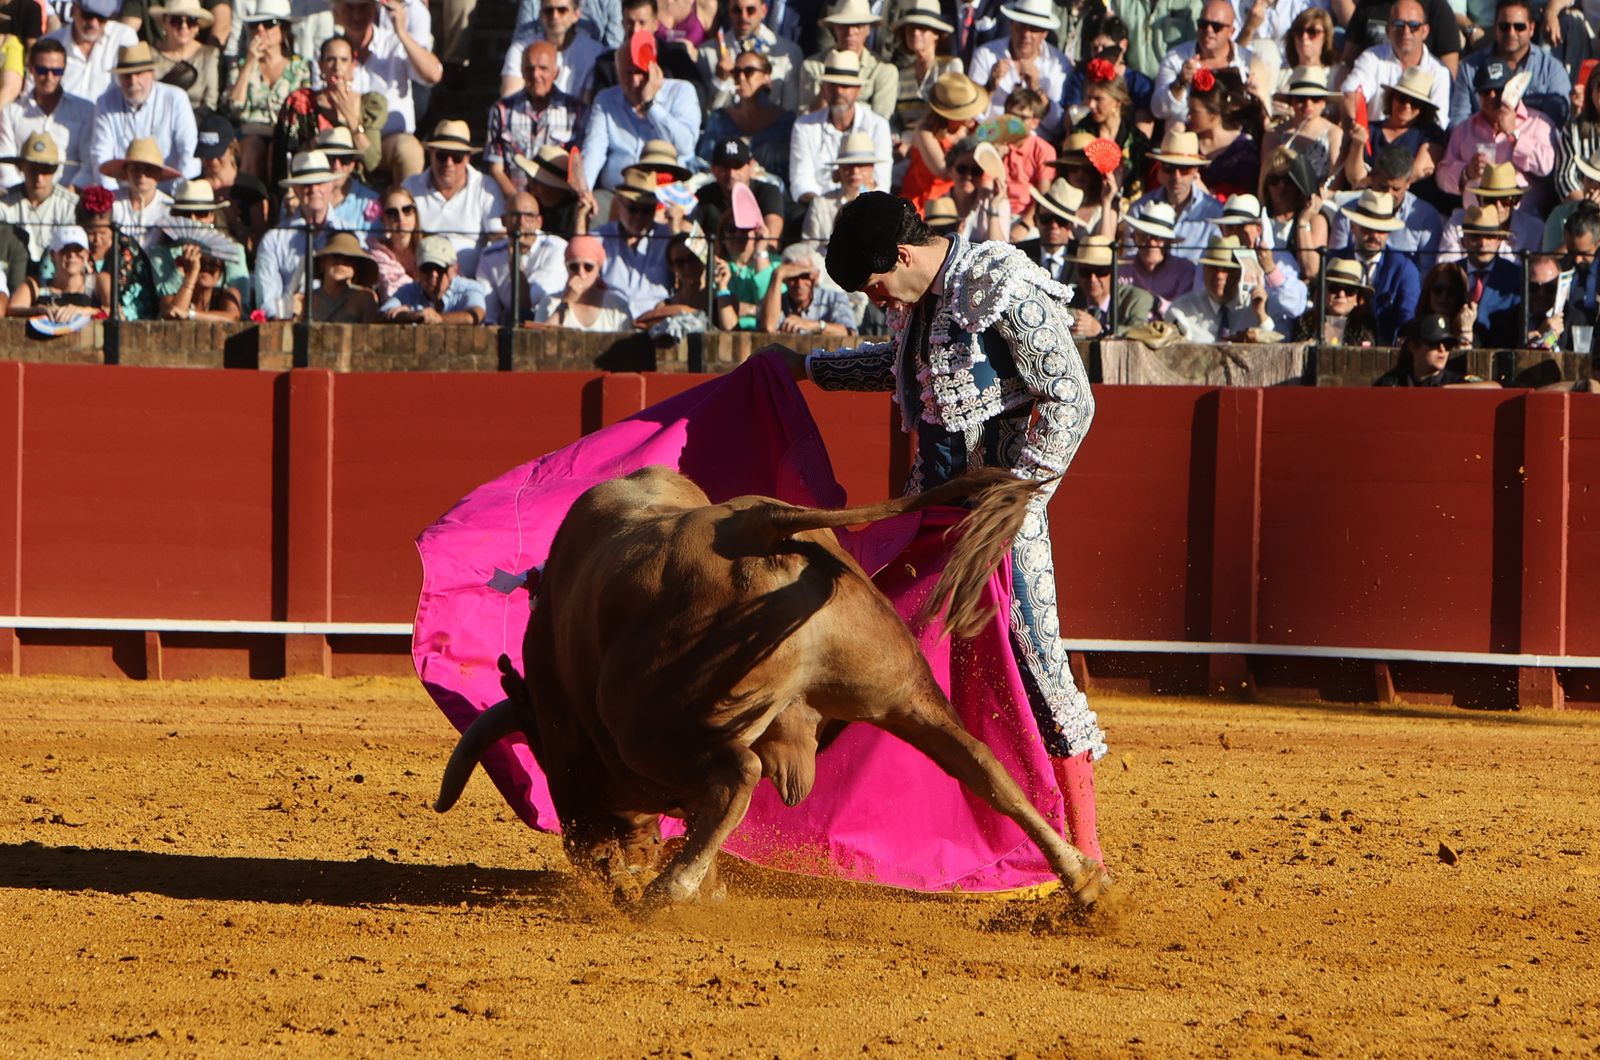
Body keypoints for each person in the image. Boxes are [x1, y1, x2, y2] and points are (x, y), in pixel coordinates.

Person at [783, 190, 1109, 870]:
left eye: (876, 282)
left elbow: (1071, 398)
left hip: (999, 528)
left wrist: (1015, 501)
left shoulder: (1001, 285)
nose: (878, 298)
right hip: (925, 524)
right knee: (870, 658)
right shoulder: (921, 303)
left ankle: (1087, 857)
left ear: (903, 255)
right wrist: (811, 369)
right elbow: (898, 367)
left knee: (1039, 677)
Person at [328, 0, 440, 186]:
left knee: (409, 149)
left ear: (374, 9)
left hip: (390, 142)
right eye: (349, 7)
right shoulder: (330, 51)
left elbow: (433, 75)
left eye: (363, 7)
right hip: (345, 142)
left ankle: (407, 208)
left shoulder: (393, 43)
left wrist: (402, 33)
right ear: (337, 11)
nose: (356, 15)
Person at [579, 28, 701, 192]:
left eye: (640, 72)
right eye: (627, 73)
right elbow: (594, 150)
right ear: (618, 72)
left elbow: (684, 146)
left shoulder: (682, 92)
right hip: (619, 194)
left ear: (653, 69)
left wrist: (651, 105)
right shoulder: (605, 100)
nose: (635, 81)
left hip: (667, 192)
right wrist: (584, 192)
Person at [270, 34, 385, 189]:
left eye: (344, 60)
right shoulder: (302, 102)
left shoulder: (369, 103)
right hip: (311, 185)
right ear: (320, 65)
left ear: (353, 65)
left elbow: (372, 162)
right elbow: (285, 156)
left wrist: (349, 114)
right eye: (331, 60)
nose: (337, 67)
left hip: (355, 186)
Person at [1435, 58, 1556, 203]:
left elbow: (1546, 166)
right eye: (1486, 92)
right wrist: (1466, 172)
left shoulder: (1538, 123)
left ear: (1512, 90)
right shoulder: (1464, 129)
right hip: (1476, 219)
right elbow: (1441, 176)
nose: (1492, 96)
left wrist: (1515, 135)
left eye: (1499, 90)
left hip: (1520, 218)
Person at [82, 42, 198, 191]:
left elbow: (189, 151)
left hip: (168, 192)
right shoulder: (105, 102)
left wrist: (179, 193)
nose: (133, 82)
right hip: (122, 194)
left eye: (139, 74)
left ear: (152, 74)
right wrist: (112, 198)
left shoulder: (176, 99)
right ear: (118, 78)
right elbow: (100, 153)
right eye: (127, 76)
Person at [484, 40, 587, 200]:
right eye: (530, 68)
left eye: (543, 69)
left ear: (556, 73)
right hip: (513, 199)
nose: (535, 75)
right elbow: (496, 168)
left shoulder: (576, 111)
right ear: (522, 72)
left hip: (558, 202)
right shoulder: (502, 110)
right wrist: (519, 202)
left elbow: (578, 168)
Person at [789, 49, 893, 204]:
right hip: (817, 207)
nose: (838, 91)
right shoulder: (804, 126)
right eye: (832, 85)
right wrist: (825, 207)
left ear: (858, 90)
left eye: (845, 86)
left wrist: (851, 207)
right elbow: (801, 181)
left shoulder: (878, 125)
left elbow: (881, 183)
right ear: (823, 89)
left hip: (865, 209)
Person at [403, 120, 504, 277]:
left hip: (472, 283)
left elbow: (499, 239)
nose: (448, 163)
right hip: (420, 281)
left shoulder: (486, 187)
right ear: (431, 153)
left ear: (467, 158)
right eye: (442, 155)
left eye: (456, 157)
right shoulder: (410, 187)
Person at [221, 0, 308, 182]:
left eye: (269, 24)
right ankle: (249, 205)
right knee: (254, 146)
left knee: (279, 150)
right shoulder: (240, 66)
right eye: (254, 25)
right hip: (250, 133)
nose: (260, 30)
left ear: (283, 30)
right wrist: (250, 62)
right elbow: (235, 107)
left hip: (287, 134)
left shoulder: (300, 68)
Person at [1449, 0, 1571, 126]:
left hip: (1532, 143)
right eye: (1504, 27)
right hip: (1480, 143)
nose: (1511, 33)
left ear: (1531, 29)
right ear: (1495, 28)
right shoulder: (1469, 68)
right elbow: (1458, 123)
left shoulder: (1551, 69)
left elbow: (1555, 125)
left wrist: (1516, 136)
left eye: (1519, 27)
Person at [255, 148, 340, 318]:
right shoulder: (274, 239)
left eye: (321, 182)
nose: (314, 189)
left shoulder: (349, 233)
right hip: (289, 328)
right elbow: (267, 303)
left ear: (331, 185)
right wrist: (290, 308)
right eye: (307, 184)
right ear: (296, 189)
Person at [1330, 145, 1444, 271]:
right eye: (1383, 187)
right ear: (1371, 179)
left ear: (1408, 183)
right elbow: (1335, 261)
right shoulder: (1348, 212)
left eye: (1396, 189)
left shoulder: (1426, 217)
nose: (1389, 194)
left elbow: (1426, 272)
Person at [0, 38, 94, 189]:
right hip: (21, 198)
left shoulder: (85, 111)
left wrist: (71, 193)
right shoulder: (11, 112)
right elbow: (5, 162)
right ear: (30, 68)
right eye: (42, 70)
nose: (49, 77)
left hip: (70, 198)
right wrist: (23, 195)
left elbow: (89, 162)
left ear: (64, 70)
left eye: (57, 71)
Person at [966, 0, 1069, 132]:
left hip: (1039, 146)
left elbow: (1058, 126)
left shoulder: (1058, 65)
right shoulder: (986, 55)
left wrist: (1037, 89)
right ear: (1011, 25)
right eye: (1021, 26)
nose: (1026, 35)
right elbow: (970, 115)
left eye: (1033, 29)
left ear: (1044, 33)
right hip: (992, 138)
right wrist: (989, 88)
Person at [1334, 188, 1422, 344]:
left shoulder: (1404, 269)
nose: (1375, 236)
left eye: (1381, 230)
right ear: (1353, 227)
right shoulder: (1333, 261)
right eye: (1367, 228)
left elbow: (1408, 318)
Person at [694, 48, 795, 181]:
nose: (741, 78)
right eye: (736, 72)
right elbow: (705, 163)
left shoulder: (785, 122)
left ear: (766, 77)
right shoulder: (720, 119)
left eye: (749, 71)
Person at [1215, 192, 1309, 334]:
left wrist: (1270, 269)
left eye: (1240, 226)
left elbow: (1294, 306)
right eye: (1229, 227)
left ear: (1258, 229)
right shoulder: (1211, 260)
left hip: (1271, 346)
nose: (1234, 233)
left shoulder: (1281, 259)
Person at [1340, 0, 1452, 119]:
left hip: (1421, 136)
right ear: (1388, 30)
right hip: (1374, 135)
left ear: (1425, 31)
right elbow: (1351, 95)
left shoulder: (1439, 73)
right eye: (1398, 25)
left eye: (1414, 26)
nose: (1406, 31)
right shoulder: (1371, 58)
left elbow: (1439, 121)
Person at [1340, 66, 1444, 189]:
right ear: (1391, 98)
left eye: (1415, 103)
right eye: (1402, 99)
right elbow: (1355, 178)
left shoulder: (1431, 134)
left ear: (1424, 109)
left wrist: (1375, 182)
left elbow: (1417, 172)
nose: (1407, 106)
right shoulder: (1369, 129)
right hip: (1367, 199)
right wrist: (1357, 145)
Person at [473, 191, 569, 325]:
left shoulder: (556, 249)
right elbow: (489, 312)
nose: (521, 222)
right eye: (514, 215)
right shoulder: (490, 256)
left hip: (547, 324)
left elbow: (528, 302)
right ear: (503, 221)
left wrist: (515, 264)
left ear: (539, 222)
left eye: (528, 216)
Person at [1130, 130, 1226, 263]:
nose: (1176, 176)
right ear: (1159, 170)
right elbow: (1131, 261)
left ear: (1195, 172)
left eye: (1184, 168)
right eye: (1169, 167)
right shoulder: (1139, 210)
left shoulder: (1215, 213)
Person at [1152, 0, 1253, 123]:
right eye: (1203, 24)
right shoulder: (1176, 59)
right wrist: (1180, 83)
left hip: (1233, 131)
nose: (1209, 30)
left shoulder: (1248, 62)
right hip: (1189, 133)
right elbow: (1158, 110)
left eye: (1216, 27)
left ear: (1231, 32)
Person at [899, 71, 986, 212]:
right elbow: (944, 171)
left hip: (965, 199)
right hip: (928, 203)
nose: (976, 114)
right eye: (968, 110)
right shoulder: (926, 131)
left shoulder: (974, 128)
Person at [593, 166, 672, 317]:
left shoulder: (667, 237)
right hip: (608, 320)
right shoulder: (599, 237)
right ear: (619, 204)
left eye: (647, 210)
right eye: (633, 209)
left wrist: (676, 225)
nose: (639, 217)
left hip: (655, 321)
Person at [798, 0, 897, 118]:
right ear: (834, 29)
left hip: (865, 135)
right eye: (844, 26)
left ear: (868, 30)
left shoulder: (884, 70)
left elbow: (881, 120)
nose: (850, 32)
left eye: (857, 26)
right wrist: (826, 90)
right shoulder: (812, 67)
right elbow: (805, 117)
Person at [700, 0, 803, 110]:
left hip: (773, 124)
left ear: (763, 11)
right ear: (729, 12)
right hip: (725, 125)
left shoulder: (788, 52)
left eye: (751, 10)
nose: (744, 17)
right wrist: (720, 82)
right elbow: (708, 115)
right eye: (737, 10)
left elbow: (790, 111)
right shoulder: (708, 52)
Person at [1166, 235, 1273, 340]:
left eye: (1226, 269)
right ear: (1203, 271)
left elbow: (1273, 351)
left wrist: (1261, 315)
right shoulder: (1182, 309)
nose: (1219, 275)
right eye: (1213, 268)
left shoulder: (1253, 306)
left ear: (1239, 273)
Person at [499, 0, 606, 101]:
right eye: (548, 11)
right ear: (541, 15)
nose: (555, 16)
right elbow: (510, 101)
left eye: (562, 10)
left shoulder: (595, 53)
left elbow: (586, 107)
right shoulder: (521, 49)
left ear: (576, 15)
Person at [1437, 160, 1541, 263]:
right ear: (1479, 198)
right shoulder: (1458, 222)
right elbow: (1445, 268)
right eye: (1490, 200)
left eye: (1505, 200)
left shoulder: (1535, 229)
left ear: (1517, 199)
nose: (1497, 206)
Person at [0, 132, 79, 267]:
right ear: (21, 167)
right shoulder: (4, 203)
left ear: (55, 169)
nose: (39, 178)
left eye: (46, 170)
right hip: (12, 271)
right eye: (33, 170)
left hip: (56, 272)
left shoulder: (70, 204)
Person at [633, 231, 737, 333]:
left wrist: (722, 286)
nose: (687, 266)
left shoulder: (722, 300)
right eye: (680, 262)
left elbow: (730, 330)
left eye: (692, 258)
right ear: (672, 268)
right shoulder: (665, 306)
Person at [886, 0, 961, 135]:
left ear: (936, 34)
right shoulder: (902, 74)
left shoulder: (950, 67)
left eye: (922, 28)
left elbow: (954, 115)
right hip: (902, 148)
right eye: (910, 28)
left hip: (938, 142)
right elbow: (895, 120)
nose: (915, 33)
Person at [4, 225, 108, 320]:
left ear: (86, 254)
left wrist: (82, 311)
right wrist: (39, 310)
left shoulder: (98, 282)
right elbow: (13, 309)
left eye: (78, 249)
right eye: (65, 249)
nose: (72, 254)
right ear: (53, 255)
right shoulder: (36, 285)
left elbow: (114, 312)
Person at [529, 233, 632, 329]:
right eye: (574, 267)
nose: (581, 273)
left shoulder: (616, 305)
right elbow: (541, 340)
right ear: (566, 268)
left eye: (588, 267)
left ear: (598, 268)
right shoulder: (550, 302)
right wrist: (566, 303)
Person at [696, 137, 784, 249]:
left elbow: (772, 241)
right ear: (713, 169)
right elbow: (688, 231)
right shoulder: (704, 195)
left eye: (737, 166)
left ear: (751, 166)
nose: (731, 173)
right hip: (715, 263)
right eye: (725, 167)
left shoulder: (768, 192)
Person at [45, 0, 139, 103]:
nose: (94, 23)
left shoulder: (123, 37)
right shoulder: (51, 42)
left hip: (106, 116)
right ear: (74, 9)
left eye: (101, 18)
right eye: (87, 15)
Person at [1454, 204, 1522, 346]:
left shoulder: (1516, 277)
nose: (1482, 243)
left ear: (1499, 241)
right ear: (1462, 241)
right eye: (1475, 237)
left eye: (1489, 237)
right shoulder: (1449, 273)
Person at [382, 234, 488, 324]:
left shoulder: (470, 288)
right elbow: (380, 315)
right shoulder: (409, 290)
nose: (434, 274)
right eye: (426, 268)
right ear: (417, 270)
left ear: (455, 269)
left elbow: (476, 315)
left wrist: (437, 318)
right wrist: (410, 316)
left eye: (440, 268)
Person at [756, 243, 855, 335]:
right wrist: (777, 274)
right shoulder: (773, 302)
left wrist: (815, 325)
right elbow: (768, 327)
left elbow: (850, 333)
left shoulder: (834, 298)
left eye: (805, 275)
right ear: (784, 279)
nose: (799, 283)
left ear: (816, 276)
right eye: (792, 277)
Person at [1066, 236, 1154, 337]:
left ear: (1114, 272)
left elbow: (1140, 331)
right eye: (1085, 271)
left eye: (1100, 271)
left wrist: (1101, 330)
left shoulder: (1137, 298)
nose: (1093, 279)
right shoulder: (1067, 300)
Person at [100, 136, 173, 250]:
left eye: (149, 169)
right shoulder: (112, 202)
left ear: (159, 174)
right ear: (126, 172)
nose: (142, 175)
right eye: (135, 168)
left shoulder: (169, 207)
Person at [1119, 202, 1195, 311]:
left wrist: (1157, 302)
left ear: (1170, 241)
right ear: (1134, 238)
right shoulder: (1121, 268)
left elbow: (1183, 314)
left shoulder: (1185, 271)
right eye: (1144, 236)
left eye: (1159, 238)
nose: (1151, 243)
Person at [148, 0, 218, 110]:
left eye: (191, 21)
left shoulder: (208, 55)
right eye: (176, 20)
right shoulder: (150, 55)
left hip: (198, 120)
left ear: (197, 27)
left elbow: (210, 102)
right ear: (165, 23)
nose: (183, 26)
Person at [1293, 258, 1378, 344]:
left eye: (1349, 290)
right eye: (1334, 288)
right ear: (1323, 293)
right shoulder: (1306, 323)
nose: (1341, 295)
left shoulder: (1365, 326)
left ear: (1358, 298)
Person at [1014, 178, 1083, 283]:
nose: (1053, 226)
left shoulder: (1082, 256)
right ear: (1035, 221)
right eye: (1046, 219)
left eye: (1061, 221)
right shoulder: (1020, 254)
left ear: (1071, 225)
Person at [1374, 314, 1473, 385]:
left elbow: (1488, 387)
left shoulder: (1456, 382)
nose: (1442, 349)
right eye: (1434, 343)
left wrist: (1452, 390)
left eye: (1447, 345)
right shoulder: (1392, 383)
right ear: (1413, 347)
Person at [307, 230, 382, 323]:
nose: (341, 262)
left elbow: (371, 335)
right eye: (336, 256)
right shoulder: (305, 300)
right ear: (322, 263)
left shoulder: (364, 299)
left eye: (348, 259)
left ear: (356, 267)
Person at [367, 185, 424, 301]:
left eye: (407, 210)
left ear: (415, 213)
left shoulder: (432, 246)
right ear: (383, 219)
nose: (400, 217)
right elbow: (396, 293)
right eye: (392, 213)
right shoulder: (378, 254)